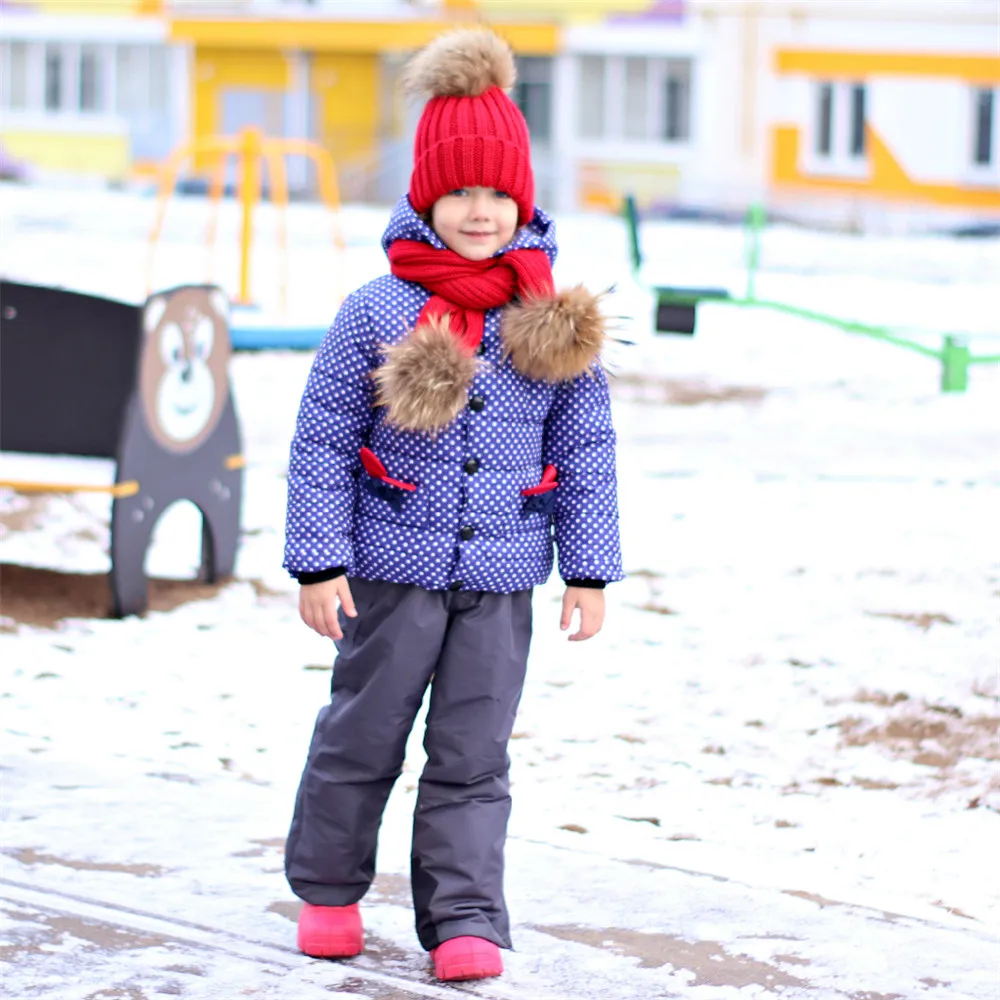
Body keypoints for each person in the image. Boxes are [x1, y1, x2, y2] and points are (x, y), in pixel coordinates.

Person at [282, 27, 623, 983]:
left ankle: (467, 918)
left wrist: (589, 570)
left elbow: (584, 449)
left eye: (497, 193)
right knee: (361, 737)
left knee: (474, 755)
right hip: (389, 577)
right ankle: (329, 893)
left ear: (524, 197)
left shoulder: (551, 322)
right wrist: (318, 559)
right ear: (428, 194)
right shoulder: (378, 310)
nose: (480, 211)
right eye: (460, 191)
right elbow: (321, 440)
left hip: (501, 581)